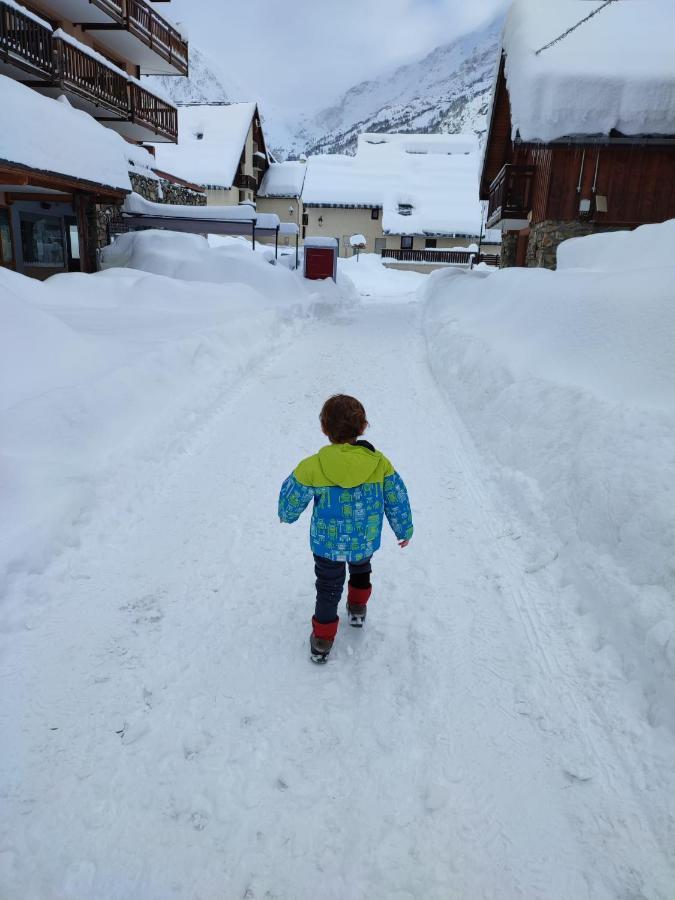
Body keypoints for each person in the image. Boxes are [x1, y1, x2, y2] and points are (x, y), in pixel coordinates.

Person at [278, 394, 413, 664]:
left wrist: (287, 514)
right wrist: (403, 528)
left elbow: (291, 498)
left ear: (324, 429)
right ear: (362, 428)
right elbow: (397, 497)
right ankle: (357, 609)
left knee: (328, 586)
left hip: (327, 544)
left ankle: (322, 640)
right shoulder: (378, 463)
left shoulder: (313, 466)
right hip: (364, 539)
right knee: (361, 570)